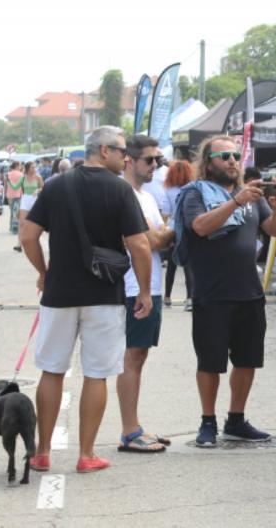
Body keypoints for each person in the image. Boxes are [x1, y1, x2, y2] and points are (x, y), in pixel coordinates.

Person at [19, 126, 153, 474]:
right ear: (104, 150)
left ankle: (43, 452)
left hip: (59, 294)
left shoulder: (56, 185)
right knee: (96, 374)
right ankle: (86, 454)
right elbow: (139, 245)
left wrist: (44, 271)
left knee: (52, 370)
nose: (126, 158)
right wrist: (143, 290)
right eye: (122, 151)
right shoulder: (121, 190)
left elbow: (29, 235)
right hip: (104, 296)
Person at [177, 135, 276, 447]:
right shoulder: (196, 192)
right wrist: (236, 202)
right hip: (212, 291)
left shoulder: (249, 194)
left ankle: (236, 419)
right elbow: (200, 226)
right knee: (210, 361)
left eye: (236, 155)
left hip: (249, 290)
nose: (232, 161)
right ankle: (207, 421)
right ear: (208, 162)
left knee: (247, 359)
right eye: (224, 156)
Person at [116, 135, 175, 454]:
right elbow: (154, 239)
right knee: (132, 357)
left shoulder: (146, 196)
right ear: (130, 160)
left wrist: (162, 235)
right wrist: (165, 234)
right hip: (133, 287)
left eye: (159, 161)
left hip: (146, 284)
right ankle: (129, 430)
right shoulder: (127, 195)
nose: (155, 166)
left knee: (138, 356)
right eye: (149, 160)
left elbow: (159, 237)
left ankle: (133, 426)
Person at [163, 160, 195, 310]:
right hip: (189, 228)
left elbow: (166, 213)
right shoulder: (193, 189)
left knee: (171, 265)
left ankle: (167, 297)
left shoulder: (169, 190)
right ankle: (190, 299)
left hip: (174, 228)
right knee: (189, 265)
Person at [13, 162, 44, 252]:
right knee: (21, 223)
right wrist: (8, 180)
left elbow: (43, 187)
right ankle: (19, 244)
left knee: (35, 223)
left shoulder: (38, 177)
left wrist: (37, 190)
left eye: (34, 167)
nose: (34, 169)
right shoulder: (23, 178)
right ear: (27, 168)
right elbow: (15, 187)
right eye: (32, 167)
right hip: (25, 200)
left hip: (35, 201)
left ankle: (35, 242)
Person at [6, 161, 23, 235]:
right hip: (18, 194)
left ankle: (10, 227)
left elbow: (6, 185)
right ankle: (15, 228)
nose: (20, 167)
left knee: (12, 211)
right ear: (16, 166)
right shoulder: (21, 174)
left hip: (9, 194)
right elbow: (22, 185)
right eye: (19, 165)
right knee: (16, 212)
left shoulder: (7, 174)